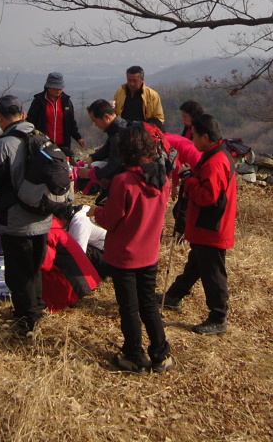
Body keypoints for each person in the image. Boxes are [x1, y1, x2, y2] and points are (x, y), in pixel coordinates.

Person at [90, 124, 173, 372]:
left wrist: (96, 212)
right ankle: (161, 353)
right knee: (148, 303)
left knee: (129, 307)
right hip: (149, 252)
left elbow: (111, 218)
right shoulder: (161, 179)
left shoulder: (124, 181)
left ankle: (134, 355)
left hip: (124, 254)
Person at [0, 95, 52, 337]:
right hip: (43, 216)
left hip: (16, 219)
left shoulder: (4, 144)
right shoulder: (43, 138)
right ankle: (37, 308)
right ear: (23, 115)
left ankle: (26, 320)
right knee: (34, 267)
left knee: (18, 273)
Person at [161, 114, 237, 335]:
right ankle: (174, 296)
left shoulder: (215, 162)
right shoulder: (215, 154)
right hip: (209, 225)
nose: (191, 139)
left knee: (213, 273)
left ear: (206, 136)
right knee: (196, 263)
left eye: (194, 135)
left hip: (211, 226)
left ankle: (218, 316)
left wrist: (188, 178)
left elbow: (207, 197)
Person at [26, 72, 86, 158]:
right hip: (43, 144)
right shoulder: (39, 101)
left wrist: (78, 138)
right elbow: (31, 121)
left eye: (60, 88)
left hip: (63, 144)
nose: (59, 90)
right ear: (49, 87)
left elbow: (71, 122)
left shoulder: (66, 102)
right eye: (56, 88)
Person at [76, 99, 128, 194]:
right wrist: (93, 157)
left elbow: (114, 166)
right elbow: (107, 148)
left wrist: (90, 174)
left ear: (106, 117)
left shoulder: (119, 136)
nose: (95, 125)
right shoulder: (118, 128)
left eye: (95, 121)